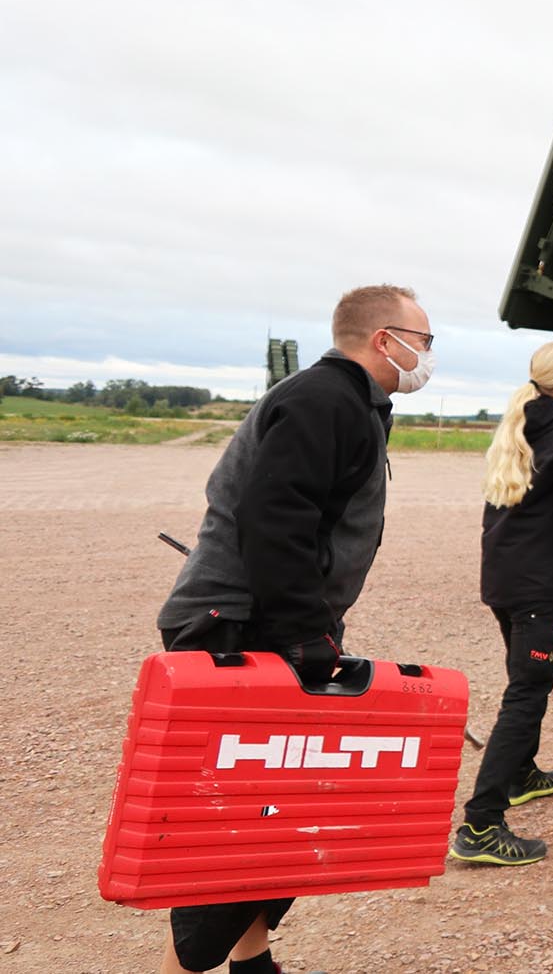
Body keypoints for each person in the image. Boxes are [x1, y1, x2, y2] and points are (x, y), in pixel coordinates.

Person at [153, 284, 432, 974]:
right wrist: (305, 637)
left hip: (266, 624)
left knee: (273, 811)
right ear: (382, 339)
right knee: (237, 822)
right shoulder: (323, 400)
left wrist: (315, 630)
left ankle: (254, 960)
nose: (427, 356)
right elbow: (275, 516)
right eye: (423, 342)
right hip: (235, 630)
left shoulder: (351, 403)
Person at [449, 342, 553, 866]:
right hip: (539, 589)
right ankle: (481, 823)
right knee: (527, 693)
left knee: (523, 677)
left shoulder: (518, 430)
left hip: (504, 579)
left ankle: (521, 774)